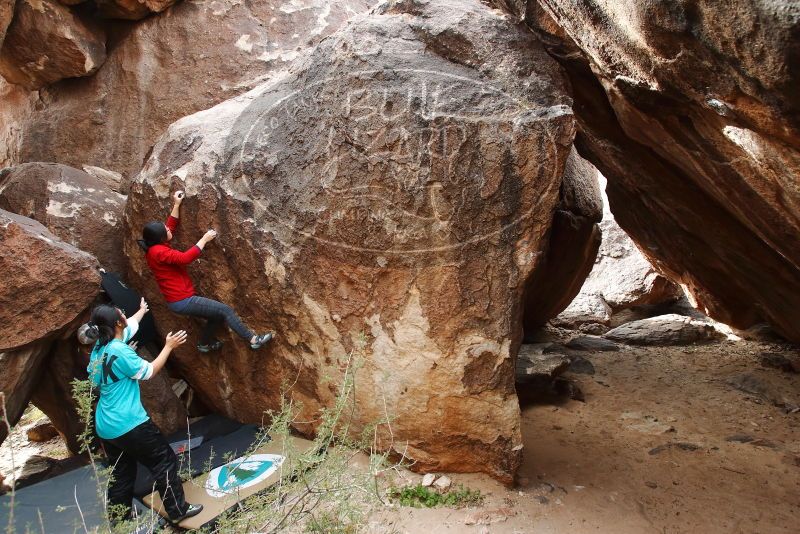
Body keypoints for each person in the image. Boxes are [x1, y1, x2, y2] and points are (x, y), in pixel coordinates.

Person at [84, 300, 202, 525]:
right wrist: (168, 346)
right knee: (163, 460)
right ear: (118, 322)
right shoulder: (120, 350)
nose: (125, 316)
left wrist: (142, 311)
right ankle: (178, 510)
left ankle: (119, 520)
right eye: (123, 314)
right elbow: (149, 372)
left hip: (106, 425)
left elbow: (129, 326)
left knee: (122, 472)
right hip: (130, 422)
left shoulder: (99, 348)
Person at [138, 190, 274, 352]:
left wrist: (176, 204)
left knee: (215, 316)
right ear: (160, 237)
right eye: (165, 230)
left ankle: (204, 344)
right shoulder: (158, 252)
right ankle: (253, 339)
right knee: (225, 310)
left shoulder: (155, 246)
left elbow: (170, 227)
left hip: (179, 300)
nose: (168, 229)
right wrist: (204, 239)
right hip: (183, 300)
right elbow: (185, 258)